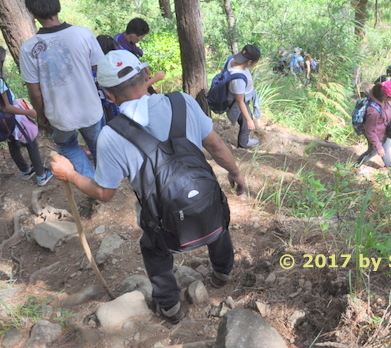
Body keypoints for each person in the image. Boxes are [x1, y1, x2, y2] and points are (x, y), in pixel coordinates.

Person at [50, 50, 247, 324]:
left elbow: (104, 193)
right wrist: (236, 172)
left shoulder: (112, 135)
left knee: (153, 247)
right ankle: (223, 272)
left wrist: (70, 174)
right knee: (215, 217)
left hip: (166, 224)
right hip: (205, 202)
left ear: (108, 95)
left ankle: (169, 307)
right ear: (145, 75)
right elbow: (214, 145)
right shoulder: (184, 102)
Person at [19, 0, 105, 179]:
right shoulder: (84, 34)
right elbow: (103, 72)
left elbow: (35, 92)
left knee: (67, 145)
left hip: (59, 115)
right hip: (91, 108)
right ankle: (105, 181)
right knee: (98, 146)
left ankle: (91, 183)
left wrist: (41, 116)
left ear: (32, 13)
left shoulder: (29, 48)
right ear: (58, 6)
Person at [0, 44, 52, 186]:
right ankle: (41, 175)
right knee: (30, 141)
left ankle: (25, 170)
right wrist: (28, 112)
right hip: (11, 119)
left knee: (13, 143)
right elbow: (6, 107)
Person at [353, 81, 391, 175]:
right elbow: (370, 131)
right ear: (384, 96)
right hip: (376, 135)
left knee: (386, 148)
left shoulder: (387, 102)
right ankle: (357, 166)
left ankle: (388, 166)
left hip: (385, 131)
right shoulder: (373, 110)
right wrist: (378, 146)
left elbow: (388, 109)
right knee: (373, 151)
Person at [226, 44, 261, 149]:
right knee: (246, 125)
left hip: (242, 99)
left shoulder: (232, 59)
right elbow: (239, 101)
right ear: (249, 62)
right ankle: (242, 146)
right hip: (238, 102)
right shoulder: (238, 79)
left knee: (246, 122)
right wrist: (249, 120)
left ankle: (244, 141)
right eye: (256, 62)